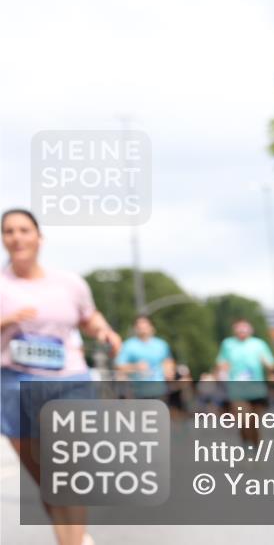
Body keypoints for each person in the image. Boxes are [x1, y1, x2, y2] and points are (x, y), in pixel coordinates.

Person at [0, 208, 122, 545]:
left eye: (24, 230)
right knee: (46, 481)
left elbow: (89, 316)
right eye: (8, 231)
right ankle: (72, 537)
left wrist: (105, 331)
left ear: (39, 237)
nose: (16, 237)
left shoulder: (69, 283)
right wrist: (6, 322)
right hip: (15, 384)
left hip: (68, 382)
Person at [216, 319, 274, 447]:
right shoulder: (228, 344)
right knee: (243, 419)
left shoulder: (259, 344)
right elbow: (221, 362)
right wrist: (222, 370)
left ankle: (255, 444)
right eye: (239, 328)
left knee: (254, 421)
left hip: (257, 389)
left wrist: (268, 364)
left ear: (250, 330)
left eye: (245, 328)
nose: (242, 331)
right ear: (235, 330)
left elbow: (271, 364)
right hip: (237, 388)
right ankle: (246, 443)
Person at [115, 315, 171, 400]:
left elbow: (168, 361)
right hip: (137, 393)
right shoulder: (128, 345)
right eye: (139, 326)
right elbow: (119, 366)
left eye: (145, 326)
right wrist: (136, 366)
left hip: (159, 391)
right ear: (135, 328)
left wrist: (169, 370)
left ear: (151, 327)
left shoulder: (162, 345)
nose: (142, 329)